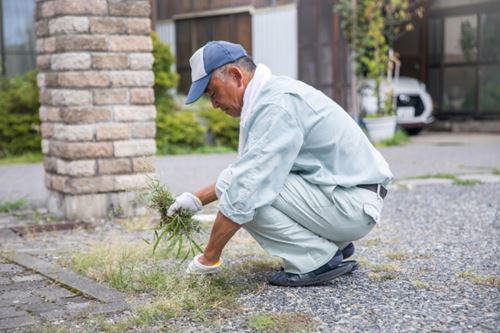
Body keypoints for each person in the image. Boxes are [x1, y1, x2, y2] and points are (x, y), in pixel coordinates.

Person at [167, 41, 393, 287]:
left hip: (352, 206)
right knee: (242, 180)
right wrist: (196, 199)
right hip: (348, 197)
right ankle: (329, 244)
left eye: (212, 93)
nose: (214, 104)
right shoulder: (272, 94)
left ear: (235, 75)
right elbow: (248, 169)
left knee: (244, 190)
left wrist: (208, 258)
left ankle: (314, 258)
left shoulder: (276, 106)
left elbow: (245, 188)